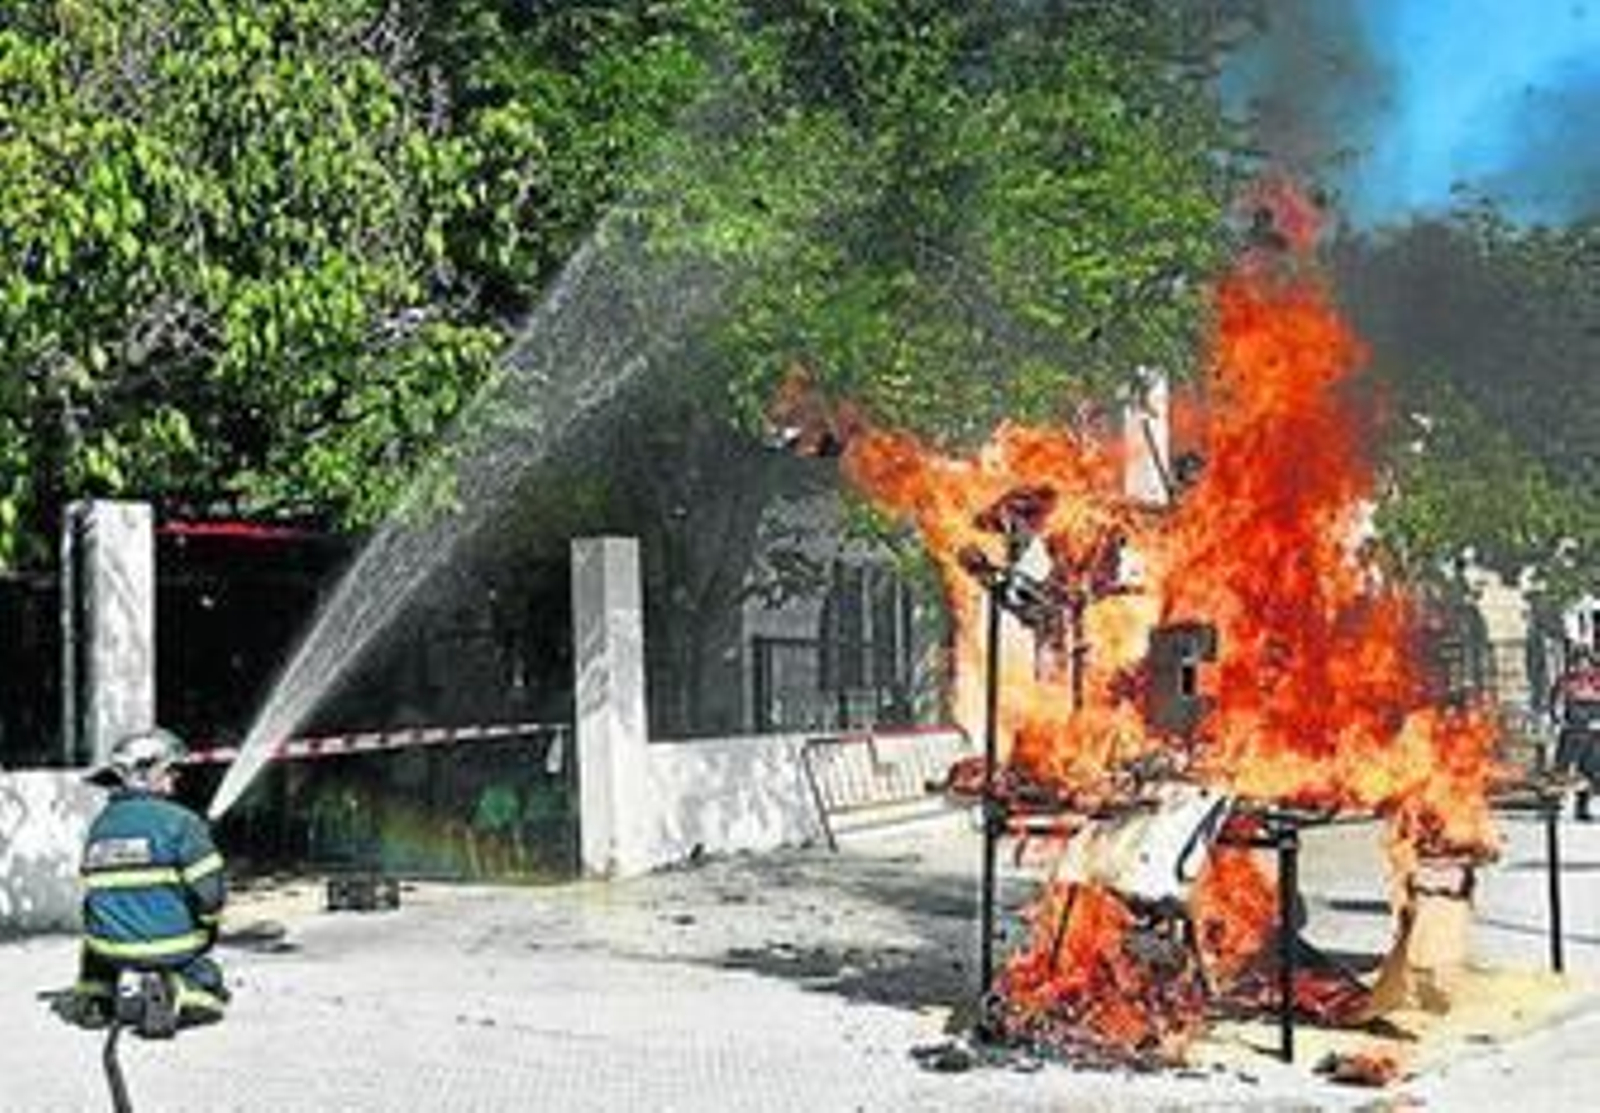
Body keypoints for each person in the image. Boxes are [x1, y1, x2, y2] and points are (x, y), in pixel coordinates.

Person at [67, 727, 229, 1027]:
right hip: (173, 947)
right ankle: (181, 992)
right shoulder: (183, 822)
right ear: (143, 772)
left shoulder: (99, 827)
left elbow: (94, 892)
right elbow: (211, 892)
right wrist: (209, 925)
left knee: (95, 956)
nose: (175, 778)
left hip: (110, 949)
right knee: (207, 975)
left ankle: (95, 996)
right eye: (169, 770)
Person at [1551, 649, 1600, 821]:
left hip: (1593, 735)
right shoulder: (1565, 681)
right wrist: (1559, 720)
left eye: (1586, 662)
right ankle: (1553, 806)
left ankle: (1582, 808)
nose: (1582, 665)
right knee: (1562, 771)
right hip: (1571, 733)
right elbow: (1556, 702)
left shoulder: (1597, 680)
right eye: (1579, 662)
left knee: (1589, 772)